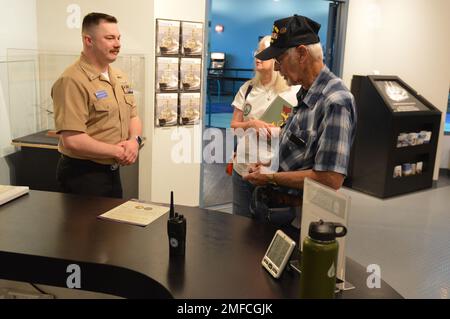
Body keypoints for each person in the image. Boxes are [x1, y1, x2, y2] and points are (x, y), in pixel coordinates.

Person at [244, 15, 357, 225]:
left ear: (302, 54)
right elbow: (300, 153)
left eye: (280, 60)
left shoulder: (335, 102)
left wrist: (270, 177)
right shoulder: (305, 93)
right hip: (278, 209)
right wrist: (268, 165)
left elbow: (330, 178)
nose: (277, 68)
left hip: (302, 217)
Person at [52, 12, 142, 198]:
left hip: (112, 172)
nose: (117, 44)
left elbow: (133, 116)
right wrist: (119, 151)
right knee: (83, 228)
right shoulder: (72, 80)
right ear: (88, 40)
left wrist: (134, 141)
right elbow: (73, 140)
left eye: (118, 38)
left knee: (113, 227)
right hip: (83, 176)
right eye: (109, 38)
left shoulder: (119, 77)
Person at [230, 35, 300, 217]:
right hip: (242, 170)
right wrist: (252, 124)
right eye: (257, 52)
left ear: (277, 58)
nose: (258, 56)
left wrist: (277, 133)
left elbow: (299, 135)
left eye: (264, 52)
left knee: (265, 231)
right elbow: (234, 127)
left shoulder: (293, 92)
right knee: (239, 226)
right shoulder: (247, 89)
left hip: (271, 173)